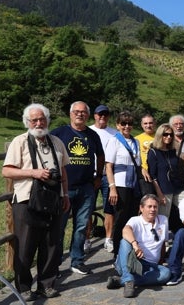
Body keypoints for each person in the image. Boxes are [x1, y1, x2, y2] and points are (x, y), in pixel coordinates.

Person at [2, 103, 70, 301]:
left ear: (47, 120)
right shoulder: (20, 141)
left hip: (53, 198)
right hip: (26, 200)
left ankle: (46, 284)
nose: (39, 123)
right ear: (27, 122)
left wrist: (65, 194)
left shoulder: (56, 142)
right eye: (34, 120)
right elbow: (6, 170)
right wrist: (33, 172)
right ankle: (24, 286)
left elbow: (63, 170)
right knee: (25, 245)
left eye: (42, 119)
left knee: (51, 243)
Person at [50, 101, 104, 276]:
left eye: (83, 112)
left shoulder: (93, 135)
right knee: (59, 227)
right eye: (76, 112)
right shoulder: (58, 133)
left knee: (81, 226)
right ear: (70, 114)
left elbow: (101, 155)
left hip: (86, 187)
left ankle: (77, 260)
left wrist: (99, 176)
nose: (80, 114)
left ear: (87, 115)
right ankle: (54, 264)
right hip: (63, 189)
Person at [106, 194, 171, 298]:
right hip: (131, 263)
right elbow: (125, 230)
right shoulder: (135, 220)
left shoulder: (163, 220)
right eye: (149, 206)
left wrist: (160, 261)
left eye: (155, 207)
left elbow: (162, 243)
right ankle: (128, 276)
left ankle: (123, 281)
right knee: (124, 242)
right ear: (141, 208)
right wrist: (135, 244)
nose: (153, 209)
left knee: (166, 273)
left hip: (151, 266)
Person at [106, 111, 141, 256]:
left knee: (132, 217)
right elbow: (108, 166)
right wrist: (112, 188)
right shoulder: (114, 140)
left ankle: (129, 250)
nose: (127, 126)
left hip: (133, 183)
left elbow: (138, 163)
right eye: (123, 123)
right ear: (118, 125)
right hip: (120, 183)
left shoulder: (136, 141)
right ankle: (117, 253)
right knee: (120, 218)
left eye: (129, 124)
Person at [88, 104, 119, 253]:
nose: (102, 117)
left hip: (107, 175)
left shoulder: (114, 133)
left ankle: (108, 239)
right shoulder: (88, 131)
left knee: (109, 208)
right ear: (94, 115)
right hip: (91, 174)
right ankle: (86, 239)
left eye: (105, 114)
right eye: (100, 114)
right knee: (88, 208)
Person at [147, 123, 184, 219]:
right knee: (164, 217)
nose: (168, 137)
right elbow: (153, 175)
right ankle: (162, 234)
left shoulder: (172, 151)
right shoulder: (153, 152)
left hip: (177, 187)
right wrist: (160, 194)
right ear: (160, 135)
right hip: (164, 189)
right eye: (165, 134)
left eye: (171, 135)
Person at [135, 113, 157, 182]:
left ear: (154, 124)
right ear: (142, 125)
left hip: (159, 172)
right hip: (143, 173)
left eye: (150, 123)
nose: (148, 125)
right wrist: (141, 169)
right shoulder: (136, 139)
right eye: (145, 123)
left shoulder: (161, 137)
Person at [169, 114, 184, 182]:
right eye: (176, 124)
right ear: (171, 126)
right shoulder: (168, 139)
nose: (179, 126)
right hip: (173, 174)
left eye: (181, 124)